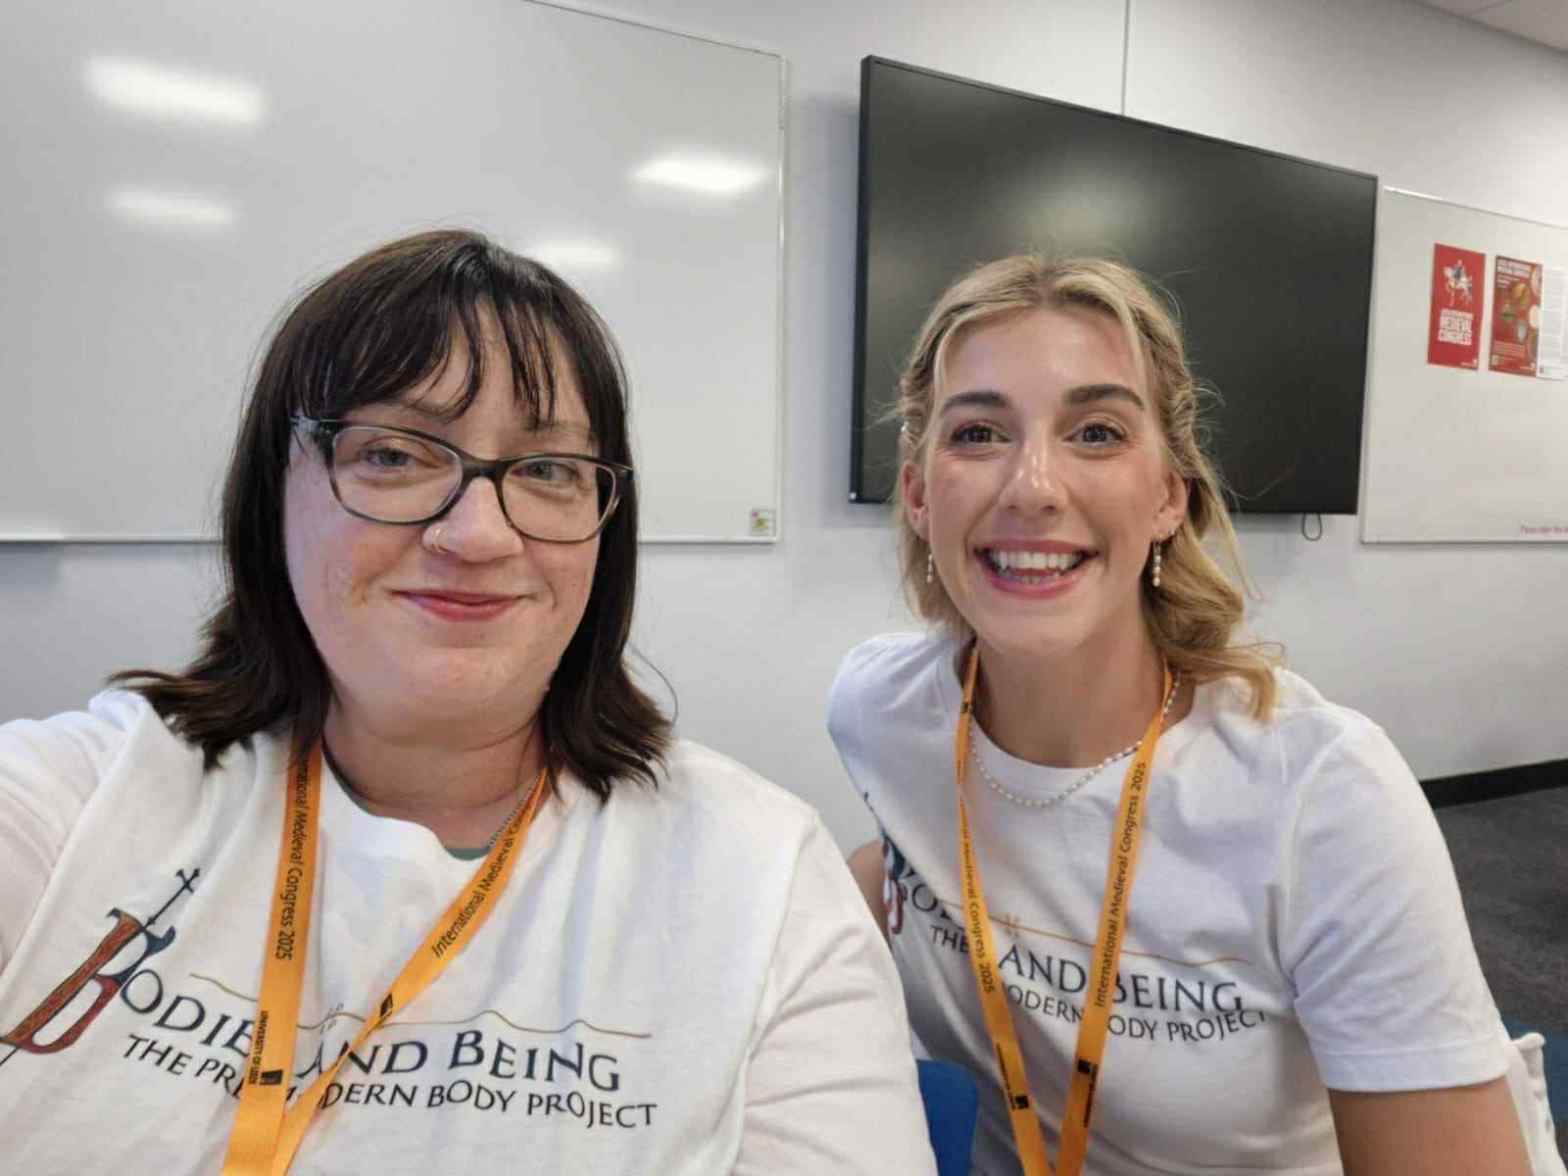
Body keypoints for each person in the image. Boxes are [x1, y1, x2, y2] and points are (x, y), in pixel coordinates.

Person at [0, 229, 937, 1174]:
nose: (478, 534)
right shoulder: (72, 802)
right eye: (394, 454)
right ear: (271, 491)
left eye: (548, 469)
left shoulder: (761, 872)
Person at [830, 255, 1532, 1175]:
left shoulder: (1322, 795)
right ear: (921, 496)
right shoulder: (880, 711)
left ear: (1170, 495)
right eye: (978, 433)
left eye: (1095, 432)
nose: (1033, 486)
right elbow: (906, 855)